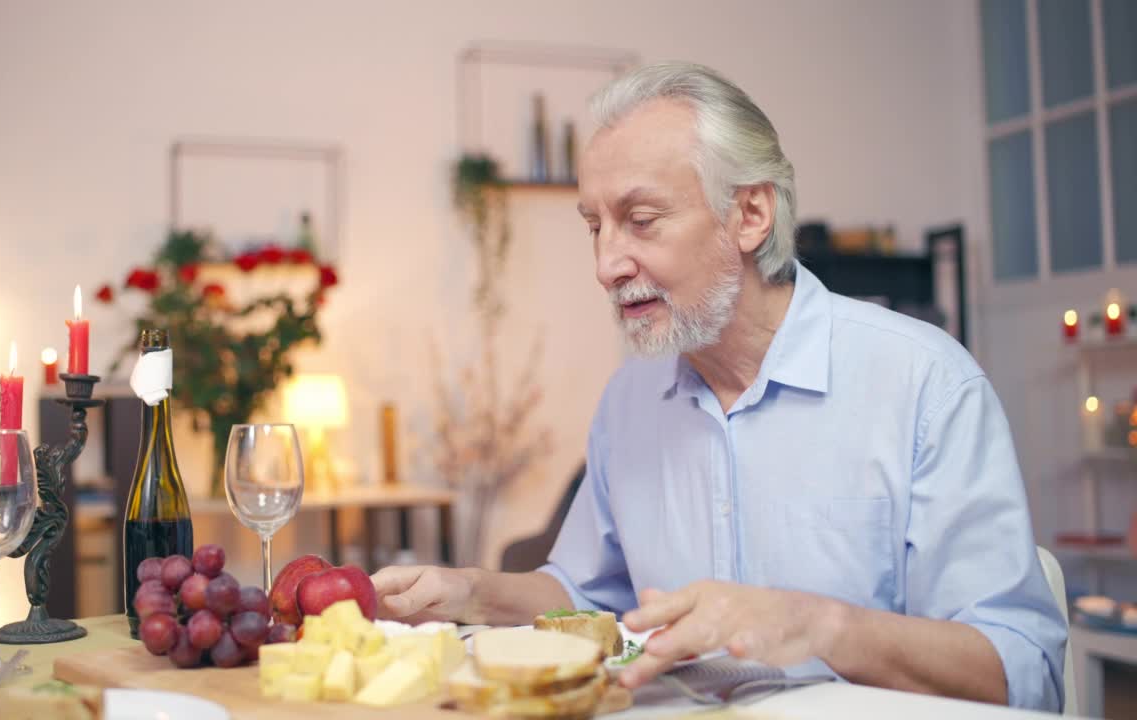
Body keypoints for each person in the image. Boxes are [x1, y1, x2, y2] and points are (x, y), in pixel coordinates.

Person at [372, 62, 1065, 711]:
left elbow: (1024, 672)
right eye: (595, 227)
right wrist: (468, 592)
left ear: (750, 215)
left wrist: (818, 625)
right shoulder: (629, 401)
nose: (607, 264)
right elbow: (585, 596)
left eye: (641, 222)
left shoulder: (924, 383)